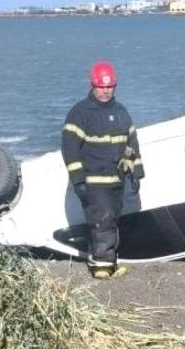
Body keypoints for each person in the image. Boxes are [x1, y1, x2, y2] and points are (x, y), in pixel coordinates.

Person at [62, 61, 144, 279]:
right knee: (102, 221)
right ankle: (101, 267)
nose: (106, 91)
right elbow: (70, 149)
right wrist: (78, 180)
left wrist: (136, 171)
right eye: (101, 87)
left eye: (110, 87)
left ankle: (106, 261)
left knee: (112, 220)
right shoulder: (80, 113)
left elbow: (131, 143)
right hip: (93, 181)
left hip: (116, 180)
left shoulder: (121, 112)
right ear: (93, 85)